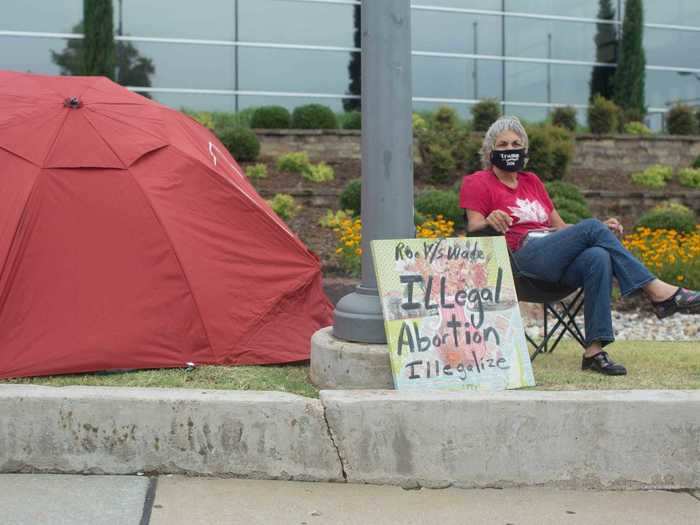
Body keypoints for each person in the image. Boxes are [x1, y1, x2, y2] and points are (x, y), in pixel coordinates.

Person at [459, 116, 700, 376]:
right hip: (519, 263)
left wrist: (601, 233)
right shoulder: (478, 182)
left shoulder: (531, 182)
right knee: (591, 228)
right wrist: (490, 221)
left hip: (552, 259)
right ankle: (658, 292)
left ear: (524, 149)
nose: (510, 149)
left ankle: (593, 352)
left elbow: (562, 229)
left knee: (598, 255)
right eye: (503, 144)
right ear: (490, 151)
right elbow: (473, 229)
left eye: (516, 143)